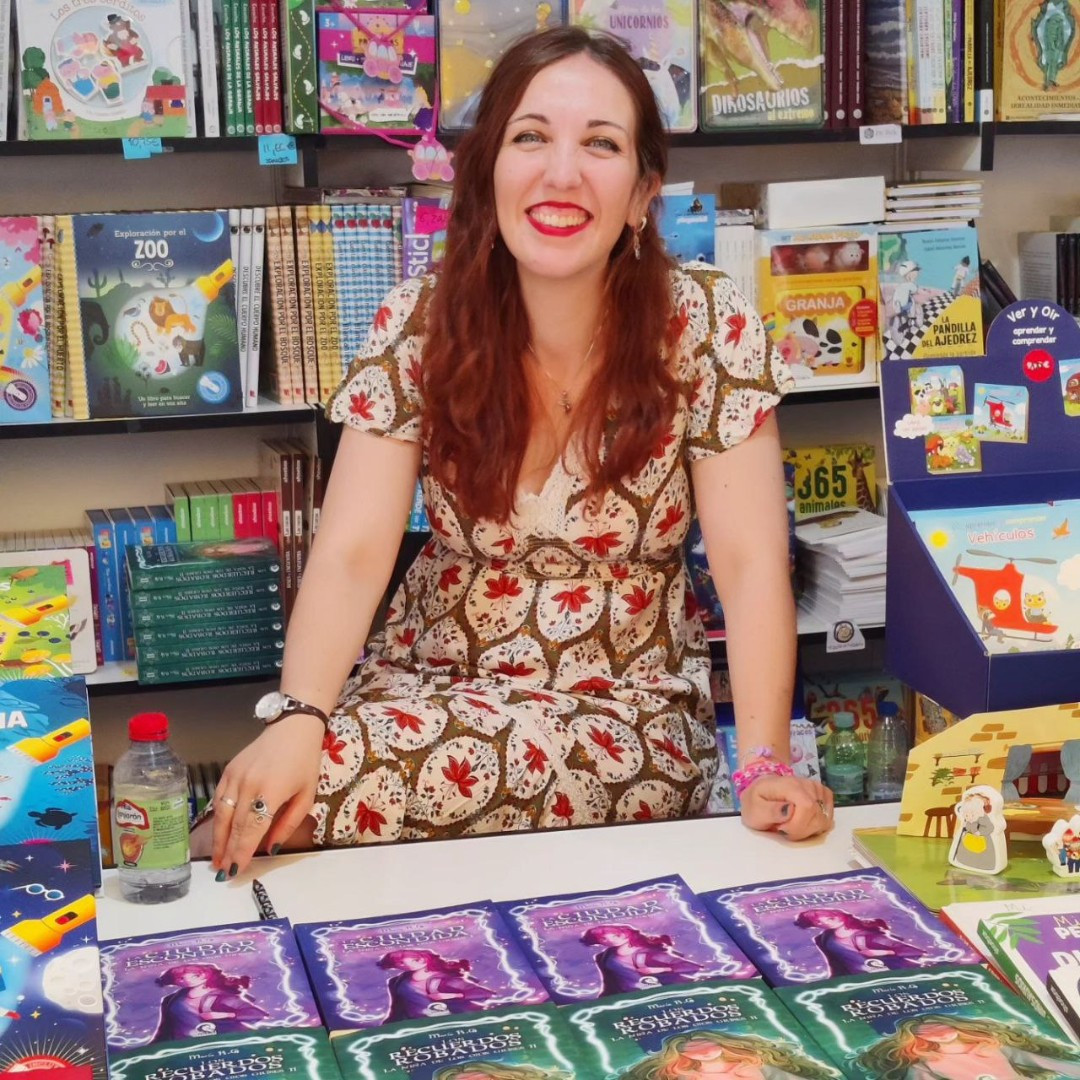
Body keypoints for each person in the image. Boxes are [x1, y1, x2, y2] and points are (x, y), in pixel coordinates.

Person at [201, 24, 833, 880]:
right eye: (529, 137)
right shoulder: (419, 320)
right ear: (488, 169)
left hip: (622, 708)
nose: (561, 172)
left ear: (644, 192)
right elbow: (351, 552)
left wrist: (761, 764)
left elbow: (753, 562)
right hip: (419, 683)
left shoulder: (710, 325)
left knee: (304, 801)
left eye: (600, 145)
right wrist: (303, 714)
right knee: (278, 793)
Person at [855, 1014, 1080, 1080]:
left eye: (940, 1027)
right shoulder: (927, 1064)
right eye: (926, 1033)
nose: (939, 1033)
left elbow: (1045, 1062)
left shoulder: (990, 1046)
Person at [620, 1030, 839, 1079]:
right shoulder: (689, 1076)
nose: (703, 1052)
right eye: (690, 1050)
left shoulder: (752, 1064)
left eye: (707, 1044)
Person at [792, 908, 928, 978]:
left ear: (838, 915)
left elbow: (913, 951)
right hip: (852, 978)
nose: (825, 922)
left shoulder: (867, 936)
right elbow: (835, 961)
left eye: (829, 918)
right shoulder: (825, 938)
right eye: (818, 922)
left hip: (885, 975)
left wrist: (885, 951)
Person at [153, 964, 267, 1040]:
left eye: (199, 974)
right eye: (180, 978)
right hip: (185, 1044)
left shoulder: (222, 996)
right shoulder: (172, 1000)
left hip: (223, 1040)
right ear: (176, 982)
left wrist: (225, 1014)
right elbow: (165, 1028)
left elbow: (256, 1013)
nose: (200, 976)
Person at [377, 948, 495, 1022]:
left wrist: (451, 995)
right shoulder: (397, 981)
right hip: (414, 1023)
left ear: (425, 957)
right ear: (397, 966)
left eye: (417, 958)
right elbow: (397, 1006)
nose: (419, 961)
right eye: (400, 963)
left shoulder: (445, 978)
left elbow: (484, 993)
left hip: (447, 1020)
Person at [580, 924, 701, 995]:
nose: (612, 937)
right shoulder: (604, 957)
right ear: (600, 943)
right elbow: (609, 981)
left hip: (658, 993)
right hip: (626, 997)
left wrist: (659, 969)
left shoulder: (649, 953)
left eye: (616, 933)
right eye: (603, 939)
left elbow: (692, 967)